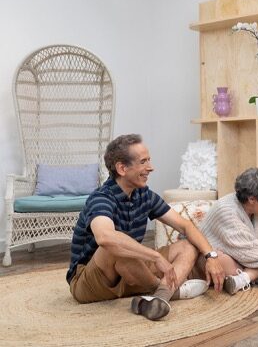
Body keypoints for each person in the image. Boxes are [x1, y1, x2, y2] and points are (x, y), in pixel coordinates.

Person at [66, 134, 225, 321]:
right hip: (91, 282)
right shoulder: (101, 198)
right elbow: (105, 237)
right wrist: (156, 256)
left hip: (129, 271)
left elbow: (185, 225)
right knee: (114, 247)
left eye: (149, 160)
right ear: (122, 168)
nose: (151, 167)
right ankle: (170, 292)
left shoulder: (144, 195)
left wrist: (211, 256)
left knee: (187, 246)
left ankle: (158, 297)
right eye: (143, 162)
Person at [198, 167, 258, 295]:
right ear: (252, 199)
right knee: (226, 264)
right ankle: (250, 276)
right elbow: (251, 255)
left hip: (246, 256)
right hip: (217, 258)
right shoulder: (226, 212)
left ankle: (245, 278)